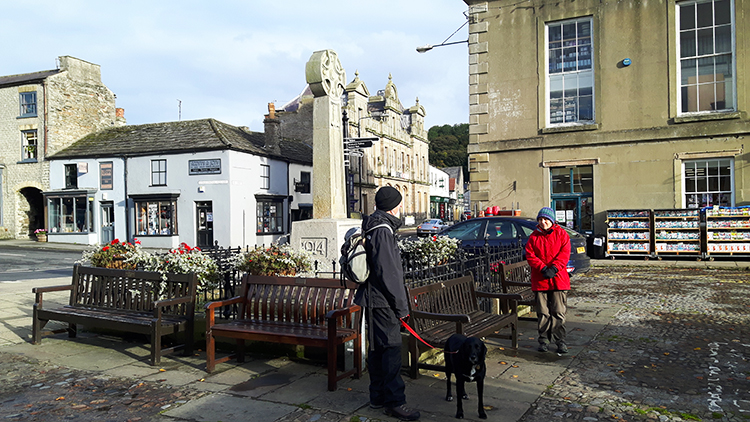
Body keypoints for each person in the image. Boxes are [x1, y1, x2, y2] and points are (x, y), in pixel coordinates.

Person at [354, 186, 420, 421]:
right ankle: (395, 402)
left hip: (372, 298)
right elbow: (389, 273)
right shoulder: (383, 230)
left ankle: (377, 396)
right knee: (391, 350)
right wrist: (402, 308)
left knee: (377, 349)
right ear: (395, 205)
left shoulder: (372, 224)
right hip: (382, 301)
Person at [525, 207, 571, 354]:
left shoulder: (562, 234)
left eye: (546, 219)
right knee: (543, 312)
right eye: (540, 219)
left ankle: (560, 340)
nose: (543, 222)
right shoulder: (534, 237)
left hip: (558, 279)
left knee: (558, 311)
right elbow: (530, 255)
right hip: (541, 279)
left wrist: (554, 268)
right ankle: (544, 339)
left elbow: (564, 254)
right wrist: (543, 268)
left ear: (552, 221)